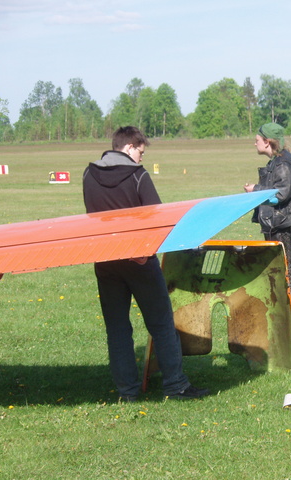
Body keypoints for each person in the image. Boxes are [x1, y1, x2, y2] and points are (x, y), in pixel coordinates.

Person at [83, 126, 210, 402]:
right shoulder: (137, 175)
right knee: (162, 324)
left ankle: (127, 392)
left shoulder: (88, 174)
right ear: (129, 147)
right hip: (139, 260)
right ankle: (175, 385)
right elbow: (158, 218)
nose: (141, 157)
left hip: (105, 261)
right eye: (140, 152)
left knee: (117, 328)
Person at [243, 122, 291, 315]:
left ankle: (290, 314)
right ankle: (280, 310)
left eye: (257, 140)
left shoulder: (283, 163)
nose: (254, 144)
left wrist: (255, 190)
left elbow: (281, 194)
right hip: (278, 224)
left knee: (285, 270)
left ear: (267, 141)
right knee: (277, 269)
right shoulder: (278, 161)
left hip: (283, 225)